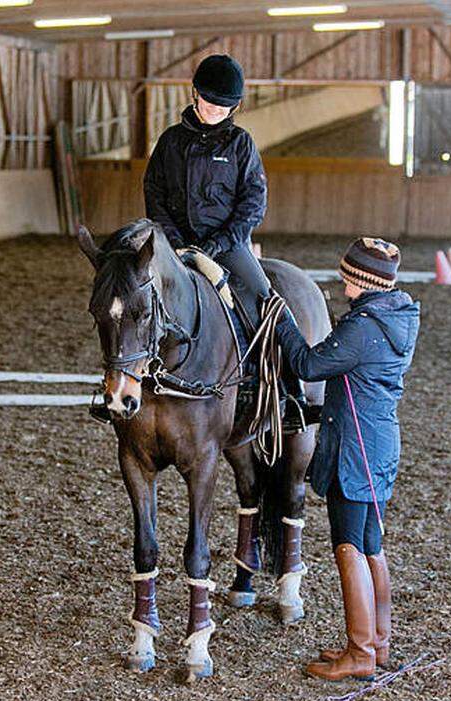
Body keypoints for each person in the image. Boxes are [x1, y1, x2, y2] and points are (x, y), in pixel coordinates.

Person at [273, 238, 421, 682]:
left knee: (348, 545)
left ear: (362, 280)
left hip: (354, 451)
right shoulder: (396, 317)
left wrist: (283, 319)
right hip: (378, 443)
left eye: (347, 276)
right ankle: (377, 642)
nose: (341, 282)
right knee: (371, 544)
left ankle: (359, 652)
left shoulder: (362, 328)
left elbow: (307, 363)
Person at [142, 53, 311, 425]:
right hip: (175, 244)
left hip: (228, 245)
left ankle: (291, 393)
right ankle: (126, 383)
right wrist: (174, 240)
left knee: (266, 299)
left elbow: (253, 202)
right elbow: (153, 194)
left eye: (225, 106)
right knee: (132, 296)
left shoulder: (241, 144)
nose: (216, 110)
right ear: (194, 95)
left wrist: (218, 244)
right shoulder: (170, 142)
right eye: (210, 102)